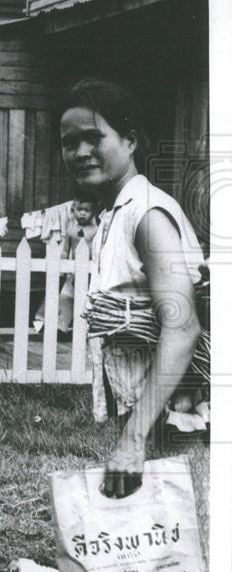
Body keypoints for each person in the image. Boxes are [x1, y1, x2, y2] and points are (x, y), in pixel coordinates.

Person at [61, 78, 207, 498]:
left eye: (94, 138)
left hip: (180, 422)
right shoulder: (115, 212)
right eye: (69, 142)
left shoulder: (146, 213)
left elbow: (182, 327)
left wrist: (134, 438)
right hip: (154, 419)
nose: (81, 152)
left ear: (130, 140)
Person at [33, 193, 100, 334]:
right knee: (66, 298)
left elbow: (98, 251)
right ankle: (58, 326)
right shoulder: (71, 230)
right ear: (73, 211)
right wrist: (62, 266)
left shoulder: (95, 230)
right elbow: (65, 250)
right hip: (73, 271)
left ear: (93, 213)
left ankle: (87, 328)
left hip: (90, 272)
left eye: (87, 211)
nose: (82, 213)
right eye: (79, 209)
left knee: (88, 299)